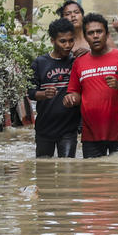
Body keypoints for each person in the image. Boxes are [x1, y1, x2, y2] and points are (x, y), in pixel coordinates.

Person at [63, 13, 118, 158]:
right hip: (91, 136)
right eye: (90, 33)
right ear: (85, 37)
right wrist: (70, 98)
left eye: (99, 32)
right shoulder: (79, 63)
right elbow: (74, 92)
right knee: (93, 172)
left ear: (107, 34)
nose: (95, 36)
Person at [28, 18, 81, 158]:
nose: (68, 45)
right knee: (43, 167)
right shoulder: (39, 63)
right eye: (63, 41)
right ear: (52, 41)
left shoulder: (76, 62)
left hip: (69, 129)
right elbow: (30, 92)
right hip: (45, 128)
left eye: (71, 40)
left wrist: (87, 53)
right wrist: (44, 94)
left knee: (68, 167)